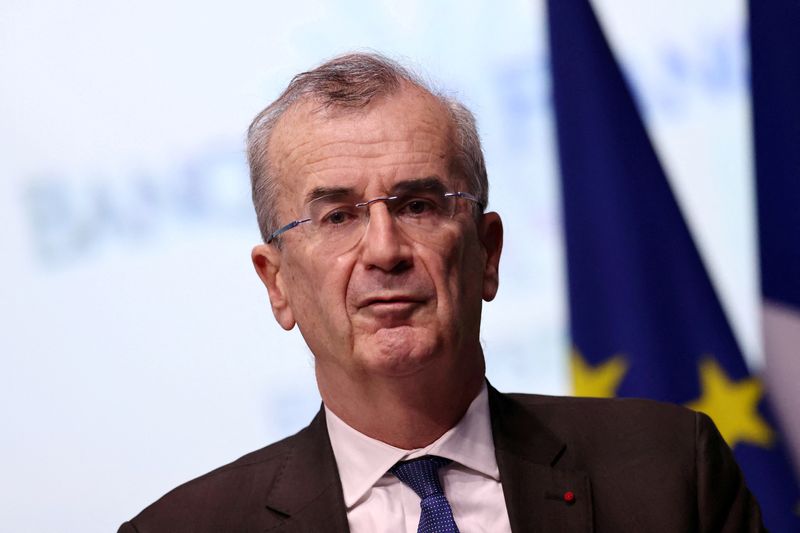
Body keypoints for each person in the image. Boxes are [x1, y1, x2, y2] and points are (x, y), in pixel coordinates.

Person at [119, 52, 765, 532]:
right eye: (337, 216)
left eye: (419, 204)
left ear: (487, 251)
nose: (384, 249)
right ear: (277, 282)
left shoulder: (672, 473)